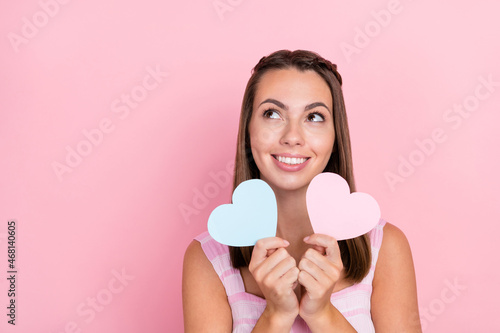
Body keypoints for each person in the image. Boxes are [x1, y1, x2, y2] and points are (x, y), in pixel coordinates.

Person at [182, 49, 422, 332]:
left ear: (335, 136)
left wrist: (321, 314)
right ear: (248, 129)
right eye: (272, 114)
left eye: (314, 117)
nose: (292, 137)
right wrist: (276, 315)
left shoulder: (386, 248)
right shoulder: (208, 258)